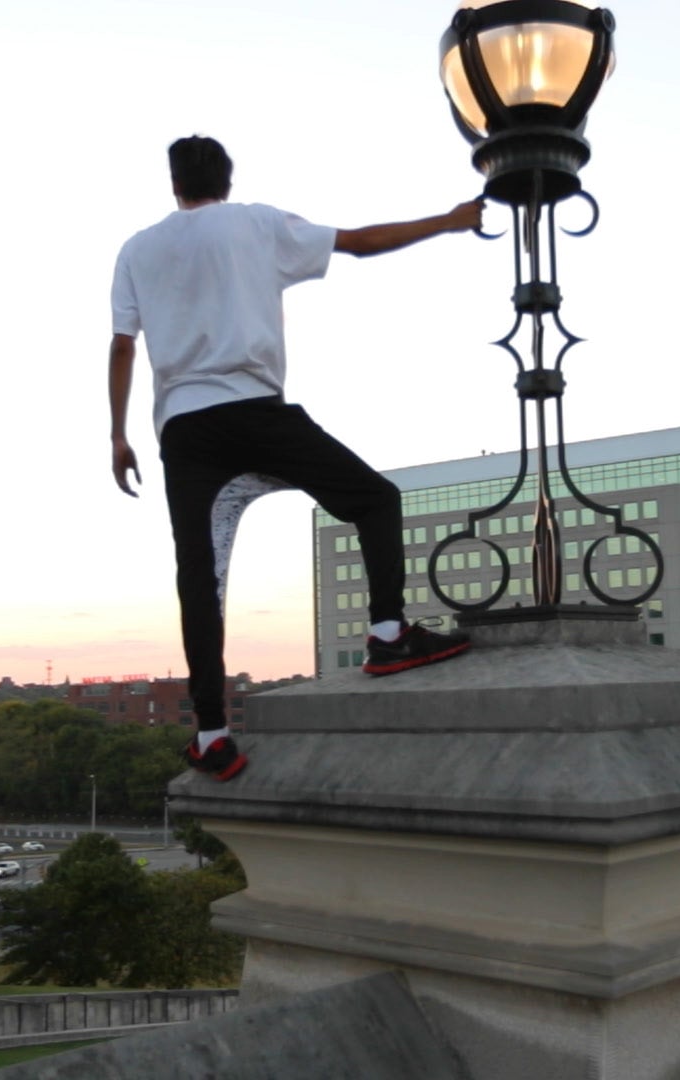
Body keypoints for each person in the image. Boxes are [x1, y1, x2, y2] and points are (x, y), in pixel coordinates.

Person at [108, 135, 480, 782]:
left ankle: (212, 734)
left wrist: (118, 435)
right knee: (375, 499)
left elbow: (121, 346)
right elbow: (362, 242)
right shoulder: (255, 221)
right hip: (256, 411)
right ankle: (388, 634)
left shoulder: (137, 249)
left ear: (174, 183)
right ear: (227, 178)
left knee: (199, 578)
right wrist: (449, 221)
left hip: (185, 432)